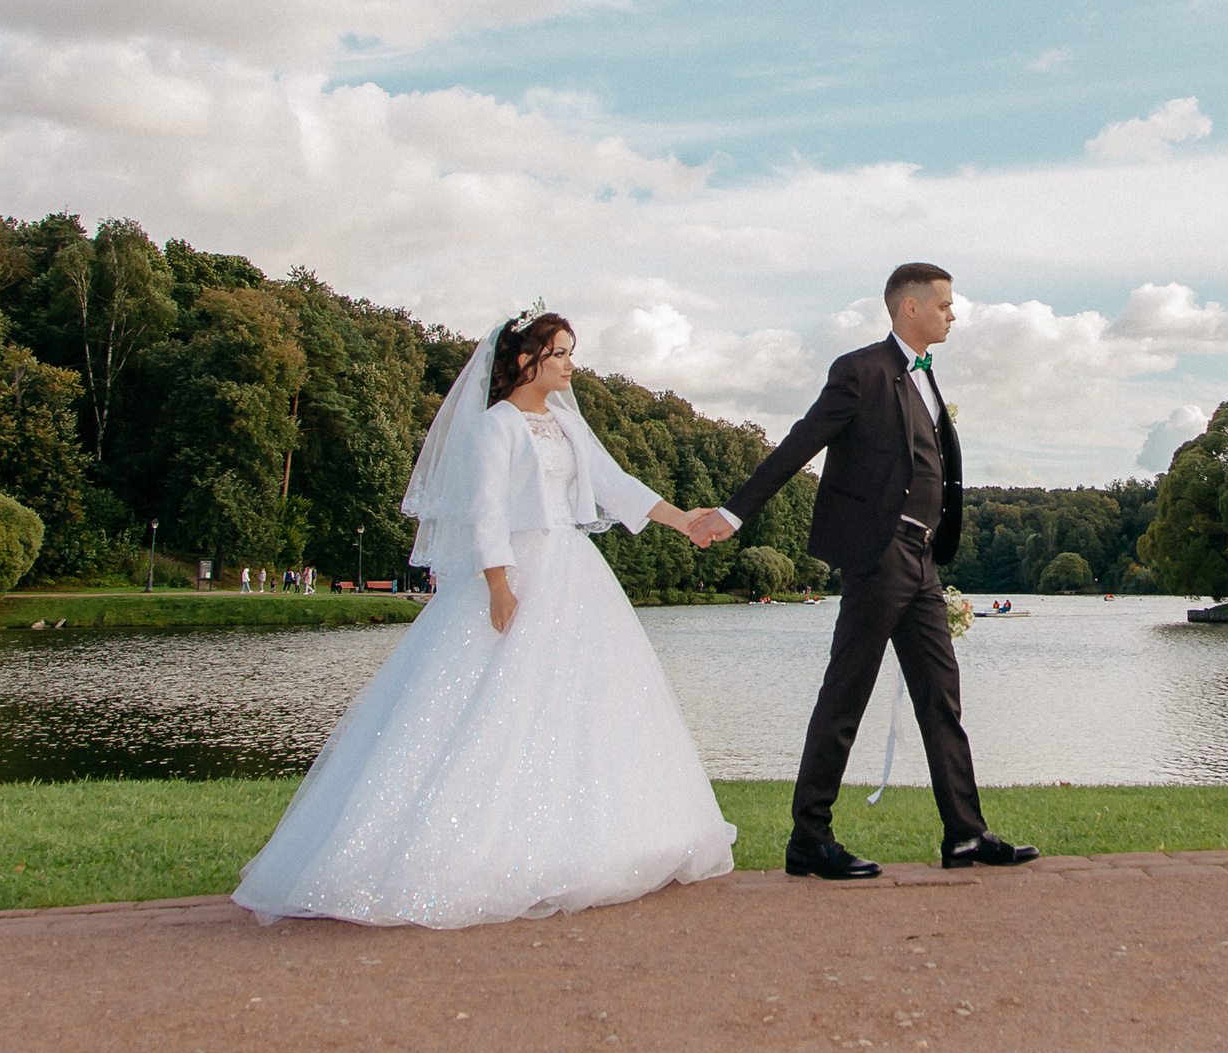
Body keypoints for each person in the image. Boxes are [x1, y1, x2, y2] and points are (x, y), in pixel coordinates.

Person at [233, 310, 736, 928]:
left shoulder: (568, 426)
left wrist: (685, 519)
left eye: (569, 353)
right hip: (519, 571)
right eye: (559, 354)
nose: (570, 366)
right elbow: (485, 511)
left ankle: (586, 844)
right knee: (495, 702)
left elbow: (615, 483)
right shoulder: (492, 429)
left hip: (573, 571)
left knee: (579, 705)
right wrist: (498, 584)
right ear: (526, 361)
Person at [713, 262, 1038, 880]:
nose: (953, 314)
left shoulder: (926, 377)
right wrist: (735, 512)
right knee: (847, 695)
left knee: (941, 697)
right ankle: (809, 838)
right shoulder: (859, 370)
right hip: (879, 552)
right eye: (944, 305)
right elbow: (802, 441)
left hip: (922, 560)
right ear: (908, 307)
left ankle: (965, 835)